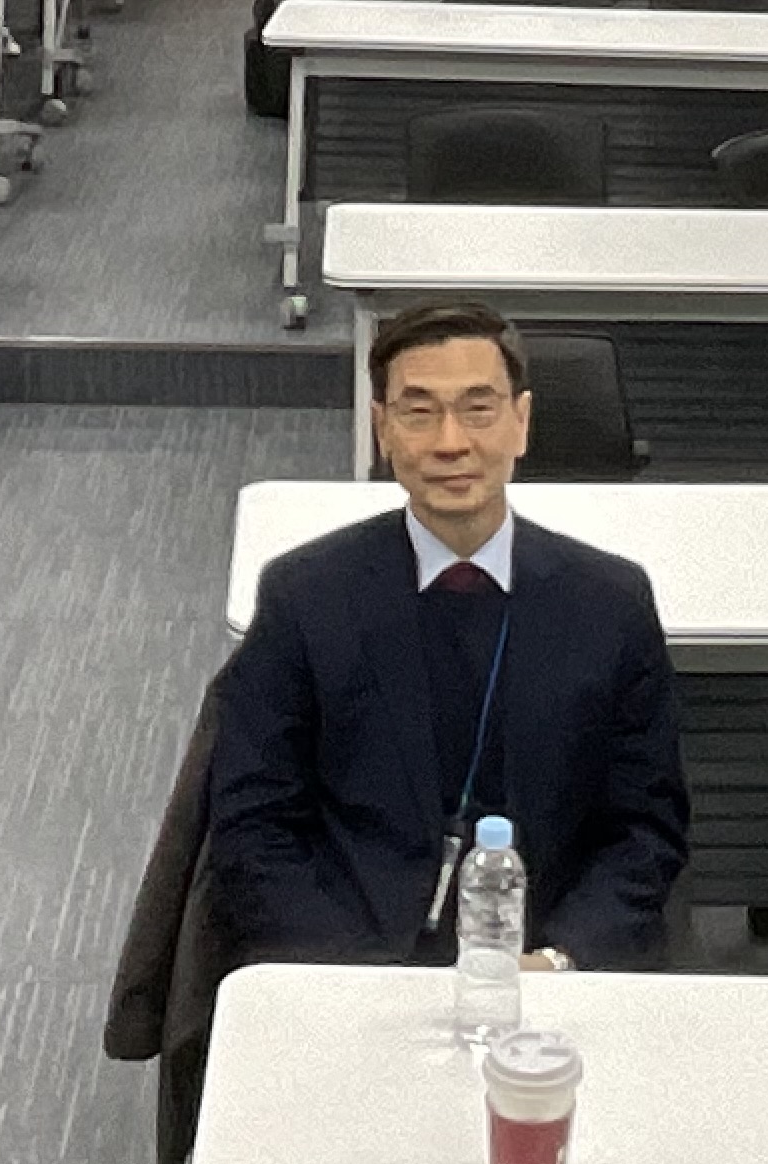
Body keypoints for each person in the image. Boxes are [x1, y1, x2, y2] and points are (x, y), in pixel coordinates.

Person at [204, 300, 687, 966]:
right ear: (383, 430)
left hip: (546, 966)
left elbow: (646, 829)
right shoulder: (306, 597)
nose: (450, 441)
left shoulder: (610, 604)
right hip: (352, 965)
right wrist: (354, 974)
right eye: (419, 412)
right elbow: (252, 828)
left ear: (521, 422)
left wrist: (561, 959)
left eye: (478, 409)